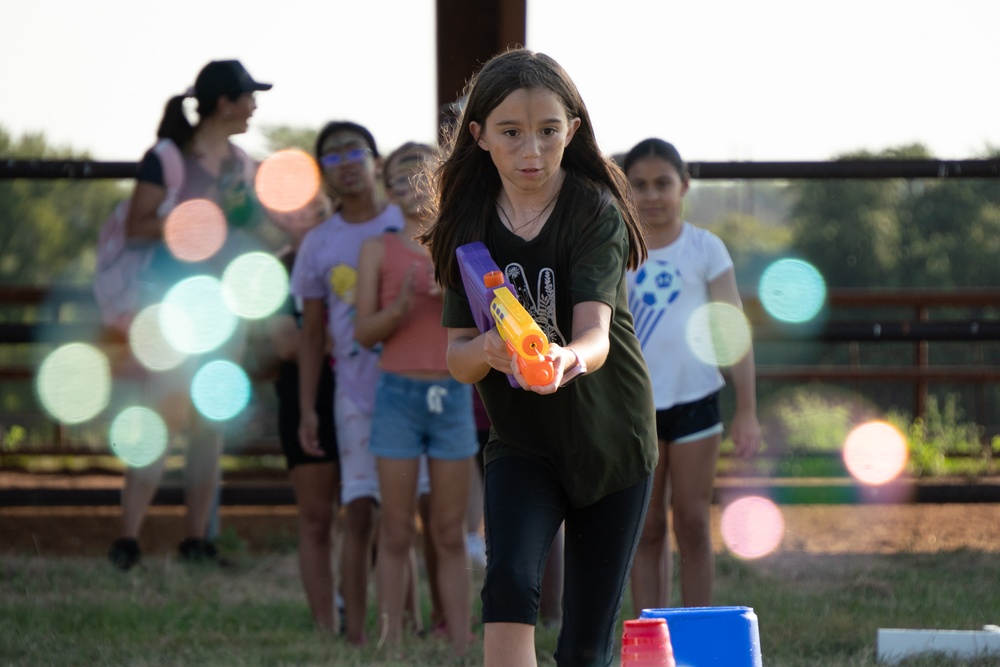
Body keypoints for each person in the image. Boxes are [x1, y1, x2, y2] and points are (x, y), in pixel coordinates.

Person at [421, 48, 659, 667]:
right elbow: (457, 360)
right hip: (521, 443)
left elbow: (596, 339)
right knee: (508, 582)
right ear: (478, 137)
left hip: (612, 441)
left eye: (549, 132)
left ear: (572, 131)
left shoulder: (594, 212)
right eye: (510, 133)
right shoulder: (466, 224)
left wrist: (563, 361)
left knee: (583, 649)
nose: (532, 151)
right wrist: (488, 350)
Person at [107, 59, 273, 571]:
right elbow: (137, 226)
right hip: (168, 305)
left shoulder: (242, 163)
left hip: (223, 307)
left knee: (208, 425)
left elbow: (245, 232)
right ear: (225, 104)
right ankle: (127, 542)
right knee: (162, 418)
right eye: (248, 97)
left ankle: (197, 542)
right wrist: (208, 211)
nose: (254, 106)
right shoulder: (168, 158)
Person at [291, 121, 430, 646]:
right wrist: (308, 408)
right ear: (323, 173)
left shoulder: (409, 218)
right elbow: (311, 334)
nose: (345, 162)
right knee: (360, 509)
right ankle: (352, 633)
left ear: (376, 161)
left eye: (355, 151)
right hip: (353, 393)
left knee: (413, 514)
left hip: (416, 384)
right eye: (331, 156)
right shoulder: (319, 244)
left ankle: (417, 622)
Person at [622, 138, 761, 610]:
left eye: (663, 184)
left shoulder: (706, 249)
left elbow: (732, 330)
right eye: (638, 185)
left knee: (693, 523)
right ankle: (652, 640)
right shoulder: (616, 250)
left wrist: (746, 410)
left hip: (697, 403)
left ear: (684, 186)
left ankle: (701, 639)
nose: (651, 196)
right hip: (635, 409)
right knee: (648, 529)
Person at [354, 142, 476, 656]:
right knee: (397, 527)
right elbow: (364, 332)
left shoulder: (460, 244)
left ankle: (462, 640)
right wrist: (402, 305)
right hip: (398, 396)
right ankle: (391, 640)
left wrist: (448, 291)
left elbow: (488, 321)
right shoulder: (377, 249)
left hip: (450, 396)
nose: (409, 184)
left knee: (449, 531)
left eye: (420, 174)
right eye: (398, 177)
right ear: (386, 187)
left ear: (440, 181)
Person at [265, 192, 344, 632]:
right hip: (303, 399)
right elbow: (286, 344)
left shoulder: (359, 255)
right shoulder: (274, 270)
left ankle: (374, 619)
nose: (306, 217)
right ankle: (325, 626)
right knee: (316, 518)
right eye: (293, 209)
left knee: (372, 512)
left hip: (364, 394)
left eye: (315, 207)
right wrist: (351, 332)